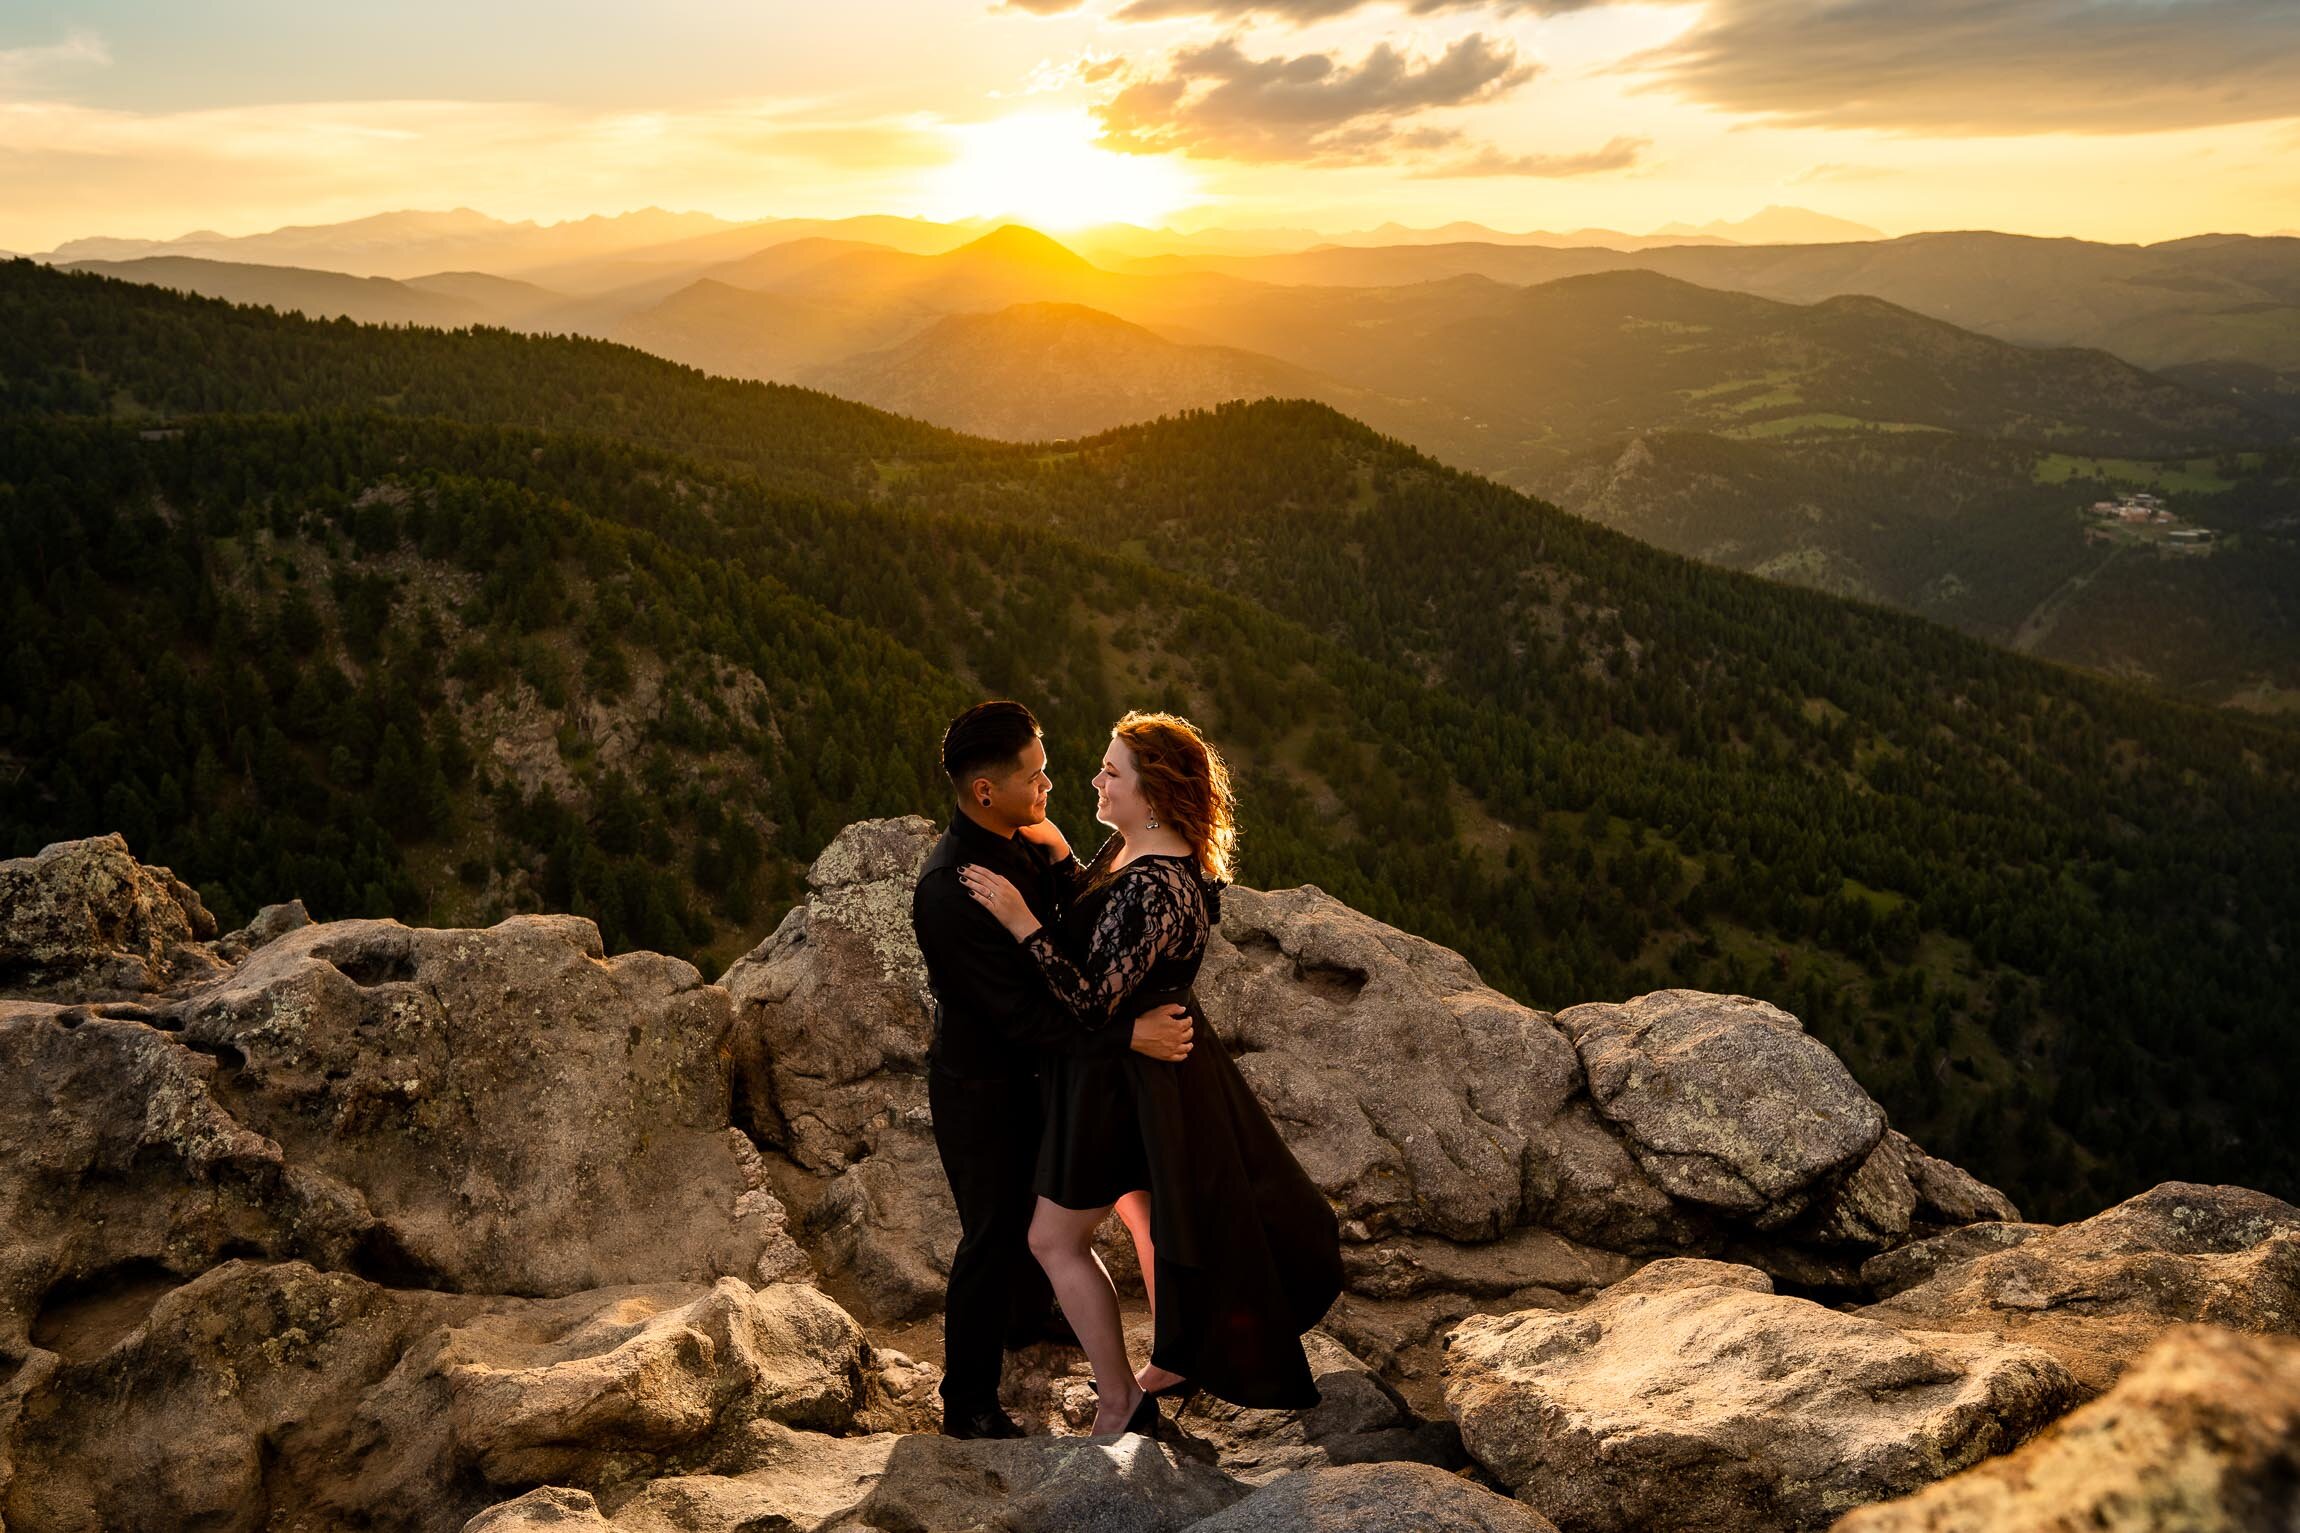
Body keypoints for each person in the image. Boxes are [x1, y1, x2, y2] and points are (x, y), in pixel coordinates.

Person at [960, 710, 1344, 1438]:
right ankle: (1170, 1358)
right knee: (1143, 1209)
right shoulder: (1138, 851)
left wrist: (1021, 920)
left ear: (1155, 793)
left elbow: (1086, 998)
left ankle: (1120, 1398)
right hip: (1143, 1076)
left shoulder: (1155, 887)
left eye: (1111, 772)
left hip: (1117, 1082)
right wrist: (1066, 853)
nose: (1094, 779)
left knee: (1053, 1240)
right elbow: (1109, 926)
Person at [910, 700, 1196, 1441]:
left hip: (1042, 1074)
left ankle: (1031, 1319)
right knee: (992, 1231)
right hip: (982, 1085)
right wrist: (1128, 1034)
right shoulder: (949, 892)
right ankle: (967, 1400)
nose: (1050, 784)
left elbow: (1078, 925)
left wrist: (1068, 858)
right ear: (984, 792)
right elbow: (1023, 1016)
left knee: (1041, 1208)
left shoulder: (1027, 839)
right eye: (1035, 776)